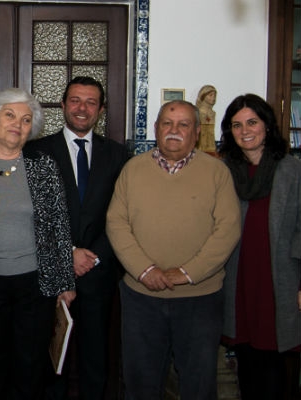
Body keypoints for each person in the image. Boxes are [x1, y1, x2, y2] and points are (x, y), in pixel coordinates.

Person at [106, 100, 241, 399]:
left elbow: (228, 229)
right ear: (156, 128)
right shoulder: (132, 169)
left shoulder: (217, 172)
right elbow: (116, 223)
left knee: (198, 385)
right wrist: (145, 271)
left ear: (197, 132)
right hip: (141, 297)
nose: (174, 130)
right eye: (167, 123)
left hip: (200, 299)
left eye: (183, 124)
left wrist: (187, 273)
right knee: (140, 384)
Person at [0, 88, 75, 399]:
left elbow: (60, 225)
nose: (17, 124)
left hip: (35, 284)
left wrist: (65, 282)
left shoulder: (44, 166)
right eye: (9, 115)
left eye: (25, 119)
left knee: (30, 366)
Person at [27, 76, 129, 400]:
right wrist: (68, 252)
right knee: (52, 360)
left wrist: (94, 255)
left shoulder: (118, 155)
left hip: (99, 272)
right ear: (62, 105)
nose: (82, 108)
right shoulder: (37, 152)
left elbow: (125, 214)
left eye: (90, 102)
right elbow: (32, 213)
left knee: (95, 358)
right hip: (50, 274)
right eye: (75, 100)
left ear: (101, 109)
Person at [217, 94, 301, 400]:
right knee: (246, 359)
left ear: (267, 125)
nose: (245, 131)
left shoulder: (292, 170)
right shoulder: (224, 172)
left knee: (273, 362)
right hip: (237, 279)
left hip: (279, 280)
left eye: (252, 122)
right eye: (237, 125)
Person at [196, 85, 217, 153]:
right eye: (210, 95)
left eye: (214, 95)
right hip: (200, 148)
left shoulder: (212, 113)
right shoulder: (198, 112)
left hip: (211, 148)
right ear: (203, 96)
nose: (213, 98)